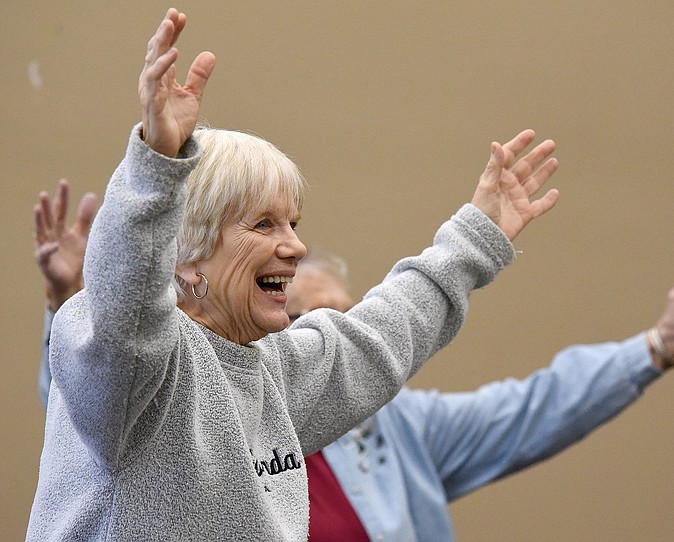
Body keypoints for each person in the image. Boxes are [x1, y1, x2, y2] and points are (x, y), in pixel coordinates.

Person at [26, 8, 562, 541]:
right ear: (187, 256)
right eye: (263, 224)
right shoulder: (133, 370)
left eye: (292, 222)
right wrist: (156, 164)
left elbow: (380, 334)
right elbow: (127, 311)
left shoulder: (274, 374)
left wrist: (475, 236)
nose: (296, 245)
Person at [34, 185, 674, 541]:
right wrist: (74, 296)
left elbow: (534, 409)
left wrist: (657, 348)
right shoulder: (194, 401)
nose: (338, 335)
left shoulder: (398, 427)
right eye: (312, 317)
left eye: (351, 318)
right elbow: (96, 411)